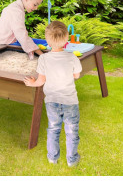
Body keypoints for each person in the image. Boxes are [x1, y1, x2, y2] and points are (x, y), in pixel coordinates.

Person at [24, 21, 82, 167]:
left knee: (54, 129)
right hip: (70, 101)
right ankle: (72, 160)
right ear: (66, 40)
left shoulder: (43, 58)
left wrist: (31, 83)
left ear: (47, 40)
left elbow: (40, 81)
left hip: (52, 101)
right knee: (72, 131)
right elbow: (76, 76)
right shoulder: (72, 57)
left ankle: (52, 158)